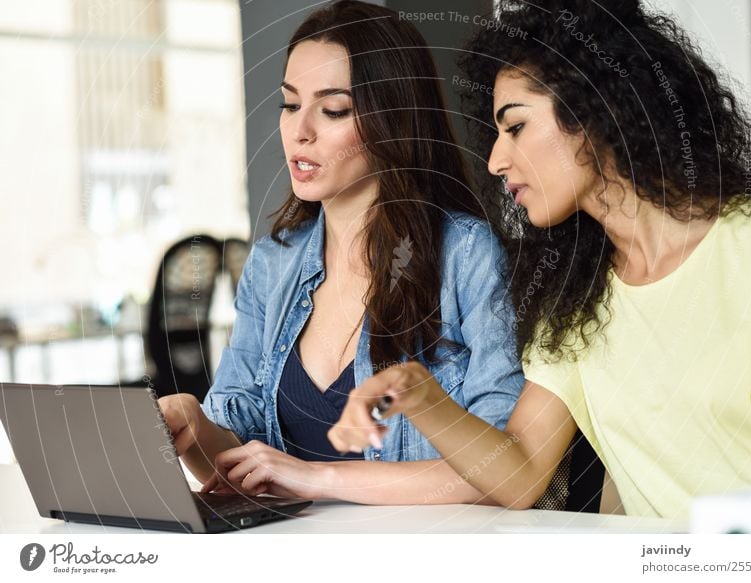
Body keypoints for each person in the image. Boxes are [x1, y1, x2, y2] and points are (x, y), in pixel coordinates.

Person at [329, 0, 751, 518]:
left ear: (595, 111)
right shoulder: (575, 304)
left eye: (517, 126)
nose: (495, 159)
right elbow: (521, 473)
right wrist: (420, 394)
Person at [157, 0, 529, 506]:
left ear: (390, 120)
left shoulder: (466, 255)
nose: (299, 130)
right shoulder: (272, 264)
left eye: (333, 110)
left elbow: (499, 471)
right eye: (290, 104)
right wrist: (193, 427)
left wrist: (314, 478)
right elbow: (238, 462)